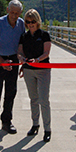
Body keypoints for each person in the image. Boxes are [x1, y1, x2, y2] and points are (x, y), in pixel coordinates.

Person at [0, 0, 25, 140]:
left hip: (13, 60)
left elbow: (21, 44)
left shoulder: (21, 24)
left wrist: (21, 60)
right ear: (8, 10)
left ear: (20, 13)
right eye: (12, 12)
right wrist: (1, 61)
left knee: (11, 92)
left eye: (17, 13)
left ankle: (7, 121)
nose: (14, 15)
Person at [17, 9, 52, 142]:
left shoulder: (44, 35)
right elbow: (19, 52)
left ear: (37, 21)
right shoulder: (24, 36)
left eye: (33, 21)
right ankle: (35, 124)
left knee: (44, 99)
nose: (30, 24)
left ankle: (47, 128)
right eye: (28, 22)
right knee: (33, 99)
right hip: (28, 70)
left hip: (43, 70)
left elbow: (46, 52)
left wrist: (38, 60)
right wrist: (21, 59)